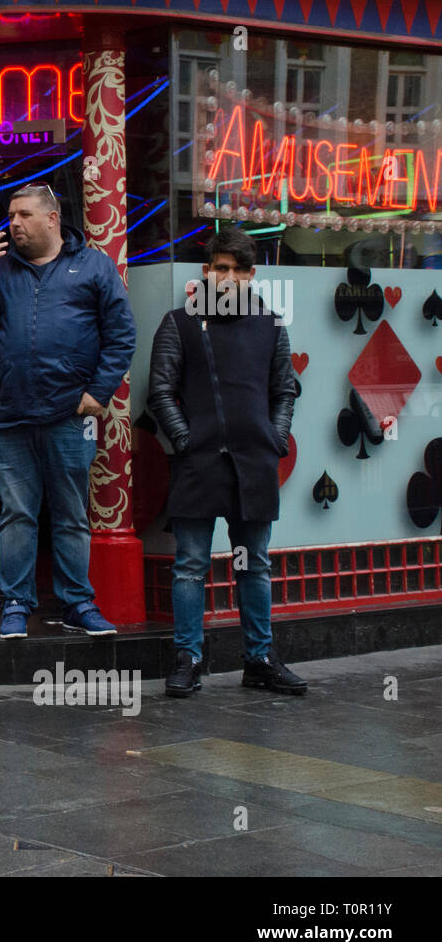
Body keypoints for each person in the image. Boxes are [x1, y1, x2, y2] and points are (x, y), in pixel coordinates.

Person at [0, 184, 136, 639]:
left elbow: (121, 335)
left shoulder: (93, 265)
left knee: (71, 513)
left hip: (69, 414)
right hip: (11, 415)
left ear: (52, 219)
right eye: (10, 215)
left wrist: (99, 392)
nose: (13, 223)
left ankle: (77, 603)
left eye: (24, 215)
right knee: (16, 515)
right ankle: (16, 604)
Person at [146, 227, 305, 697]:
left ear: (251, 274)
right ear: (206, 271)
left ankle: (259, 659)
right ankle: (189, 657)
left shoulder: (271, 323)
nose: (229, 276)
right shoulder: (179, 322)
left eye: (238, 269)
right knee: (190, 564)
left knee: (254, 564)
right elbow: (161, 391)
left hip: (254, 462)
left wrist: (275, 438)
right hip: (199, 461)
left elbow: (285, 389)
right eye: (221, 267)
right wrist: (184, 438)